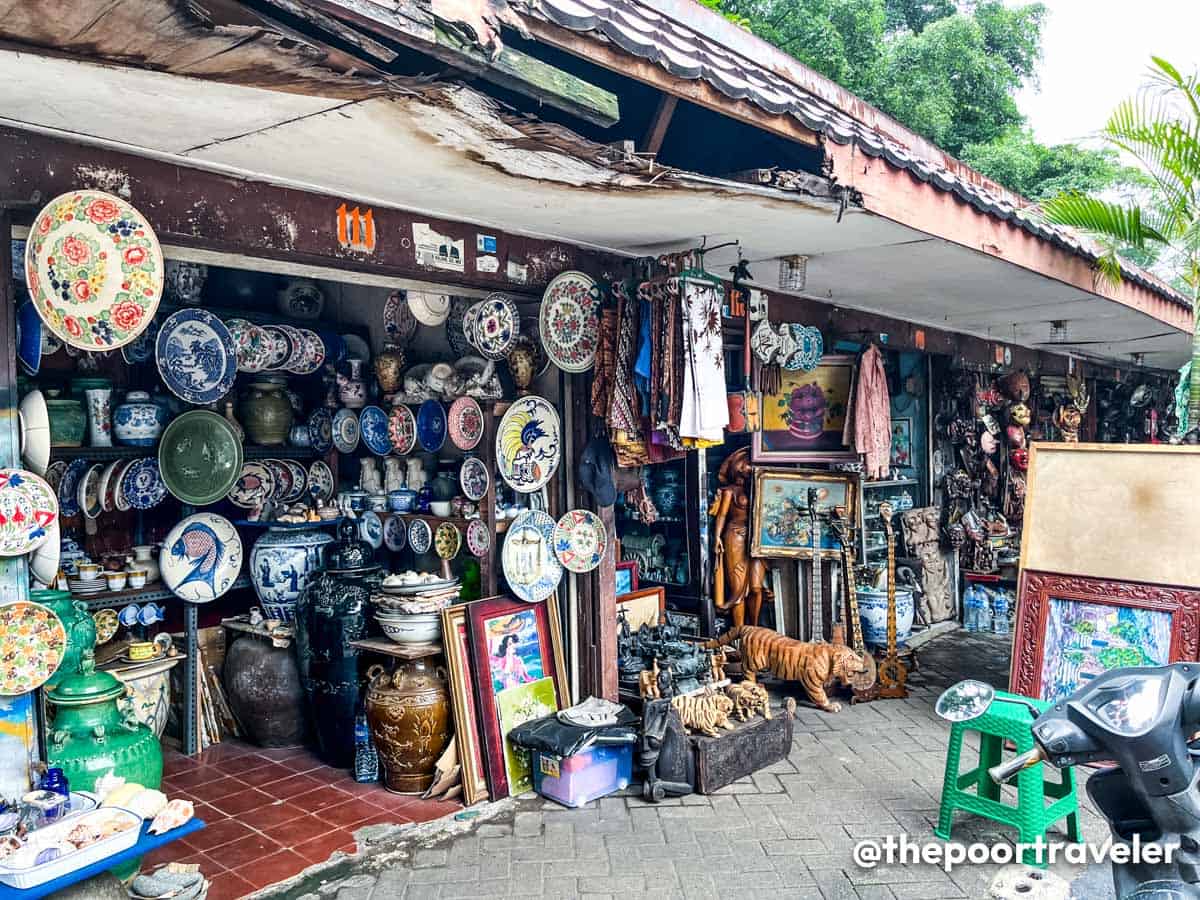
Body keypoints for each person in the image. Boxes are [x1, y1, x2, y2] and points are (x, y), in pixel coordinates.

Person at [708, 446, 769, 628]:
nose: (750, 468)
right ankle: (739, 633)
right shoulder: (729, 491)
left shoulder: (758, 486)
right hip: (736, 537)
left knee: (756, 587)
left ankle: (754, 629)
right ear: (738, 467)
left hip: (756, 538)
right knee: (738, 588)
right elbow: (722, 515)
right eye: (747, 464)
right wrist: (717, 537)